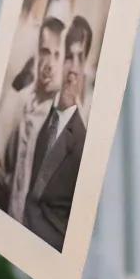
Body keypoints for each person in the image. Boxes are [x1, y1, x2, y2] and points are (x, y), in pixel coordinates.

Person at [0, 17, 64, 214]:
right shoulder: (18, 99)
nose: (49, 64)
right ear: (36, 53)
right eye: (44, 51)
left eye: (56, 55)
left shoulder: (61, 117)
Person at [22, 16, 92, 251]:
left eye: (80, 58)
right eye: (68, 57)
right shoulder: (39, 116)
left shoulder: (83, 141)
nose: (73, 68)